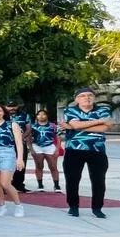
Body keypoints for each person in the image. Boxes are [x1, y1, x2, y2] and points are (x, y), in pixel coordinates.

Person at [62, 87, 111, 218]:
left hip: (97, 150)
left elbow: (104, 128)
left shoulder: (103, 110)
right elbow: (76, 125)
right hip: (74, 149)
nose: (87, 98)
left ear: (94, 98)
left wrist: (78, 126)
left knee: (99, 180)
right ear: (76, 99)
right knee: (72, 179)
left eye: (90, 95)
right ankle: (73, 207)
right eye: (83, 96)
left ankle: (97, 208)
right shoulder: (70, 110)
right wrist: (99, 121)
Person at [0, 104, 26, 218]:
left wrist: (20, 158)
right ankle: (2, 206)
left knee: (5, 183)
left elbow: (19, 143)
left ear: (3, 112)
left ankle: (18, 205)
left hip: (7, 152)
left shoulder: (12, 124)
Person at [29, 110, 61, 193]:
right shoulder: (33, 126)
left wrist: (57, 149)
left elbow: (58, 137)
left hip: (49, 146)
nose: (41, 116)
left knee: (53, 166)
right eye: (39, 114)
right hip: (37, 146)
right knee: (39, 166)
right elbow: (29, 138)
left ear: (47, 116)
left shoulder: (53, 126)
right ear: (36, 116)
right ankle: (40, 184)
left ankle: (56, 185)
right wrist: (31, 149)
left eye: (43, 114)